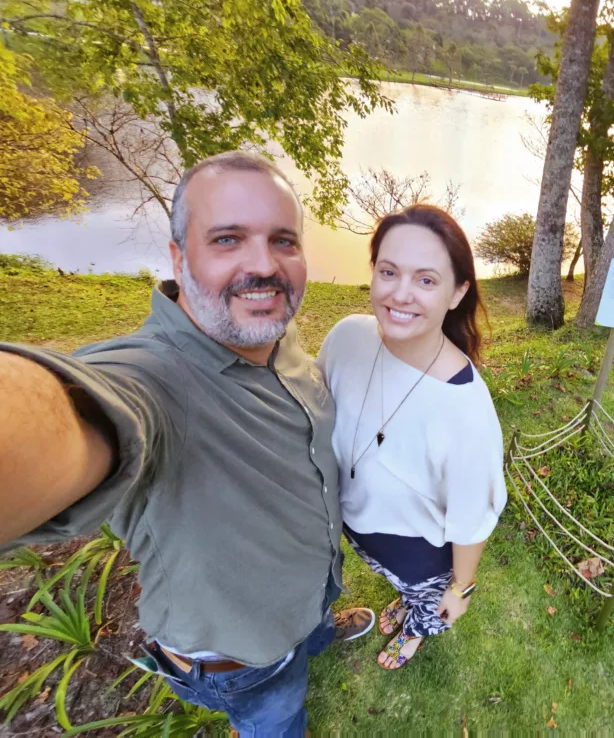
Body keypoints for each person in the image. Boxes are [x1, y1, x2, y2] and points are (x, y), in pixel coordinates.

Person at [0, 151, 374, 736]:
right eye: (227, 239)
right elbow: (58, 419)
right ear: (178, 256)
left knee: (313, 624)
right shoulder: (152, 379)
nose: (264, 265)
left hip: (308, 587)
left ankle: (319, 628)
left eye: (284, 241)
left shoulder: (275, 333)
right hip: (246, 663)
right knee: (279, 718)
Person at [317, 204, 507, 670]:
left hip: (419, 553)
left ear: (458, 291)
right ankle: (404, 602)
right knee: (401, 589)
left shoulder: (466, 412)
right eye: (388, 271)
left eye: (426, 280)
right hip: (355, 530)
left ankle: (416, 630)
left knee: (427, 600)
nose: (400, 294)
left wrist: (460, 587)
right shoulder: (346, 338)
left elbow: (471, 521)